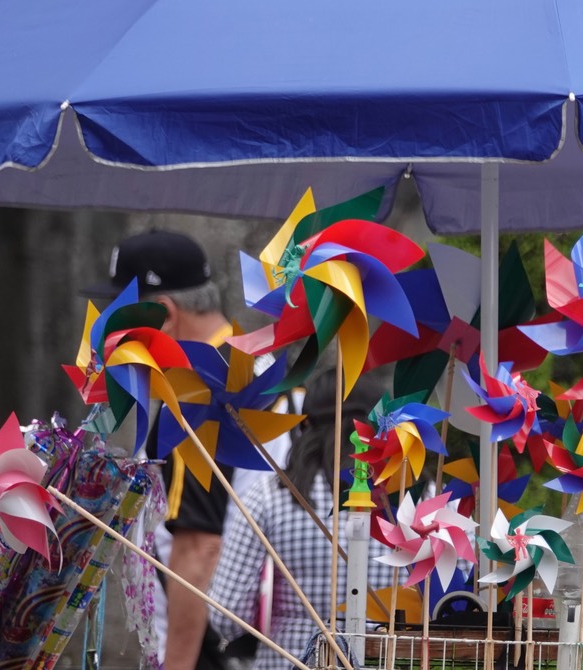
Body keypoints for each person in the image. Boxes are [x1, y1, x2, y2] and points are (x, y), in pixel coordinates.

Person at [83, 229, 292, 670]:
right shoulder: (264, 372)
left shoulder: (198, 396)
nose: (111, 332)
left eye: (120, 315)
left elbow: (199, 549)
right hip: (278, 643)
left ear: (163, 313)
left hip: (214, 652)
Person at [207, 367, 396, 669]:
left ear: (305, 423)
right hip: (389, 658)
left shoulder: (270, 494)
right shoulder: (416, 495)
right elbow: (453, 602)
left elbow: (226, 613)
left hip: (288, 659)